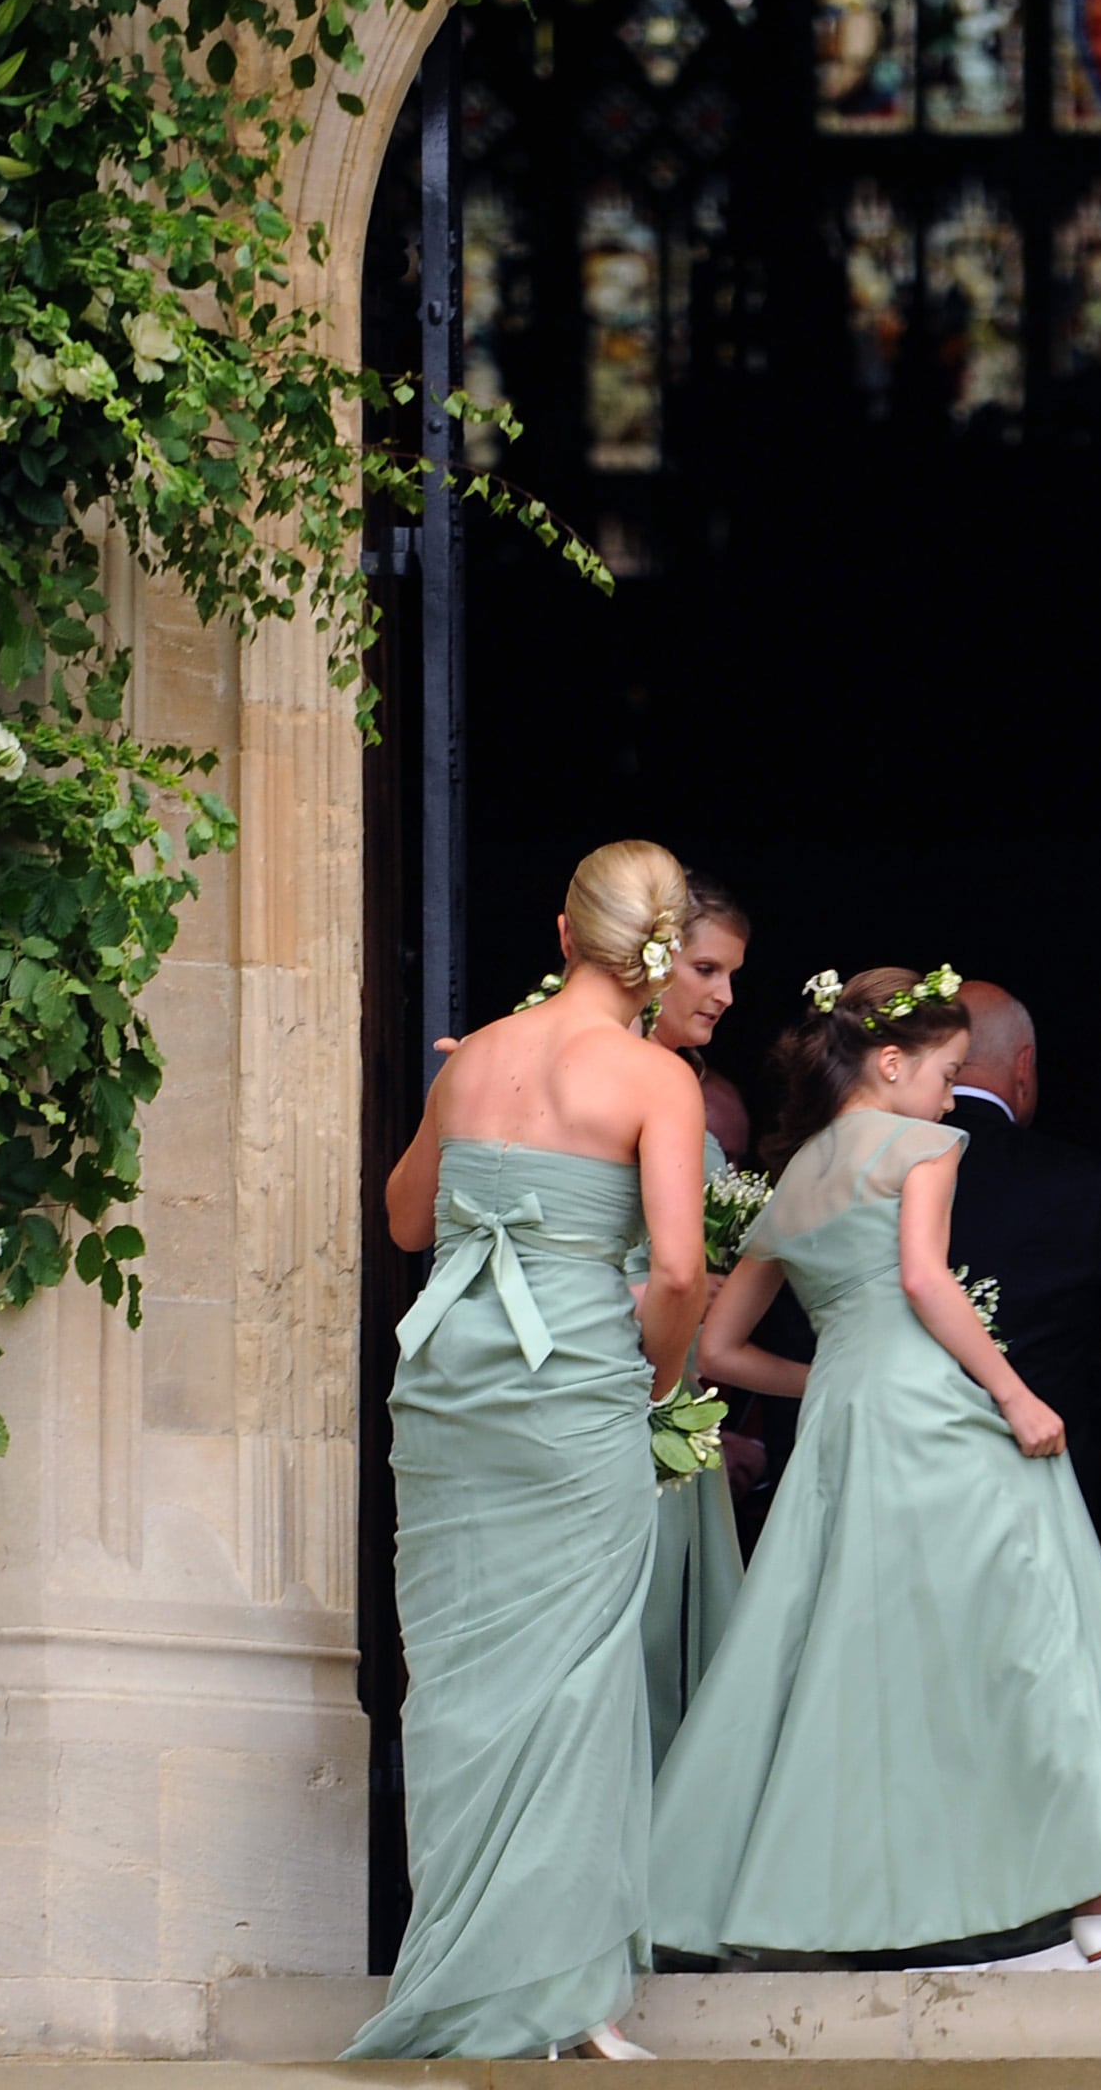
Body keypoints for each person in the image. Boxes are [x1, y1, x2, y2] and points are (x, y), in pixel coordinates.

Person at [661, 967, 1101, 1968]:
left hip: (847, 1424)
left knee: (834, 1653)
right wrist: (1014, 1392)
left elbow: (716, 1350)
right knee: (1030, 1618)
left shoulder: (794, 1174)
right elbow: (927, 1279)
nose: (946, 1095)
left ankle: (772, 1902)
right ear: (890, 1063)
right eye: (939, 1073)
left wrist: (835, 1376)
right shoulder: (922, 1143)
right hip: (932, 1412)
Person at [348, 842, 710, 2061]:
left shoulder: (479, 1057)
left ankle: (469, 1970)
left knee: (454, 1673)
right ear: (657, 953)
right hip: (570, 1388)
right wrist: (652, 1380)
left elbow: (406, 1217)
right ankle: (565, 1992)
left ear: (563, 932)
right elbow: (675, 1270)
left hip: (451, 1384)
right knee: (579, 1674)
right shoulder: (657, 1078)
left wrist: (457, 1103)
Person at [939, 979, 1101, 1620]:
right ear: (1024, 1067)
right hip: (1039, 1468)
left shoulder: (862, 1168)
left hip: (889, 1459)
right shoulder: (1082, 1182)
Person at [635, 879, 754, 1761]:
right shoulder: (616, 1074)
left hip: (678, 1386)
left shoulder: (678, 1078)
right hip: (631, 1376)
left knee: (673, 1625)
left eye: (730, 974)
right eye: (706, 969)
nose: (723, 995)